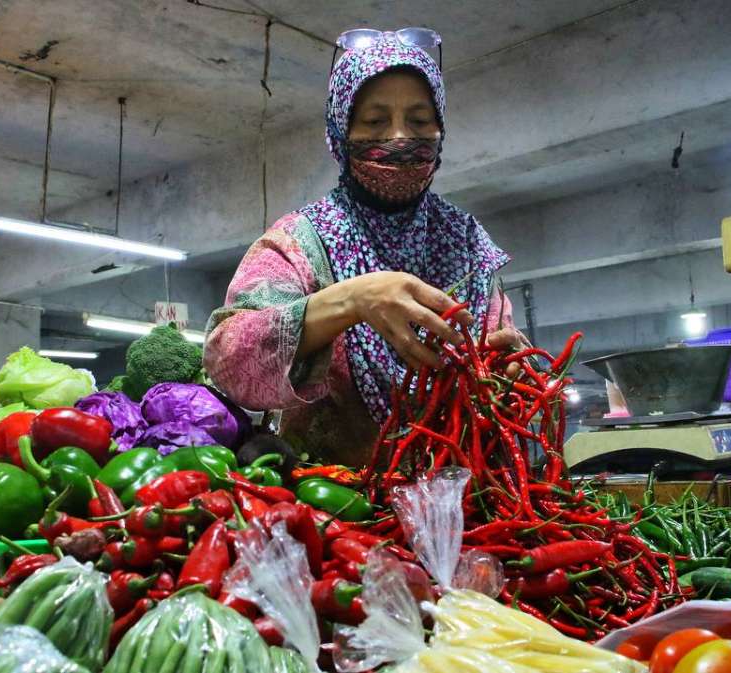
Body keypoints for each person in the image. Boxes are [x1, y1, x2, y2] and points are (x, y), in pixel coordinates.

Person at [205, 29, 520, 466]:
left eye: (418, 120)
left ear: (440, 127)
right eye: (374, 122)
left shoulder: (467, 244)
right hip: (337, 511)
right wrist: (351, 300)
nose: (398, 137)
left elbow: (503, 362)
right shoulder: (298, 242)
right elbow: (231, 365)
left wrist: (512, 372)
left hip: (465, 507)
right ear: (340, 131)